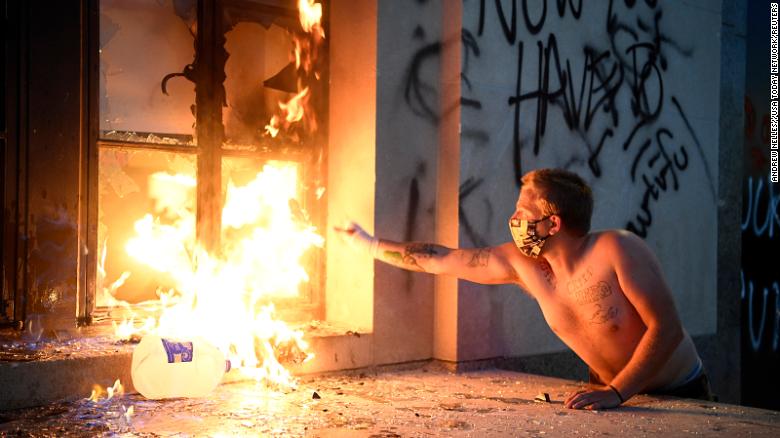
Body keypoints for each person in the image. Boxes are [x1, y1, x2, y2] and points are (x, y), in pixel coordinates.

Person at [335, 168, 713, 410]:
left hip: (678, 392)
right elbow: (440, 259)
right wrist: (367, 244)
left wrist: (617, 392)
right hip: (611, 396)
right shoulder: (523, 265)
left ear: (553, 224)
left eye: (522, 212)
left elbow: (666, 330)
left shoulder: (617, 248)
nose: (513, 220)